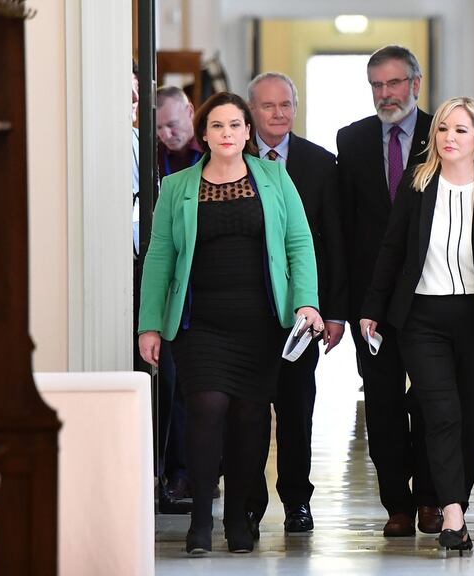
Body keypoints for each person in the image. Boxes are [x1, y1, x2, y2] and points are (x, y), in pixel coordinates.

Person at [138, 91, 323, 555]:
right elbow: (159, 257)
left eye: (235, 125)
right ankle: (201, 519)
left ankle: (240, 517)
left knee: (249, 419)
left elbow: (300, 244)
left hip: (261, 325)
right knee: (206, 408)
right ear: (204, 133)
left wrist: (307, 303)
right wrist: (149, 325)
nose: (227, 133)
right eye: (217, 126)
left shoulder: (275, 177)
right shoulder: (178, 186)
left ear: (247, 132)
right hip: (199, 323)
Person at [358, 96, 474, 553]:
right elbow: (392, 250)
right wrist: (373, 308)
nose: (449, 138)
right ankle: (454, 517)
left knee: (469, 417)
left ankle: (446, 498)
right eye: (442, 129)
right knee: (440, 413)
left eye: (460, 130)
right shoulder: (418, 186)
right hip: (422, 318)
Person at [336, 44, 441, 537]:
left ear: (415, 84)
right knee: (381, 403)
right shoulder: (352, 139)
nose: (385, 94)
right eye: (377, 85)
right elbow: (345, 227)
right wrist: (345, 304)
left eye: (394, 83)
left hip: (430, 295)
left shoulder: (444, 132)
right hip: (372, 302)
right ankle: (397, 505)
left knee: (429, 401)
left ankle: (431, 499)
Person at [243, 72, 348, 536]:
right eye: (268, 106)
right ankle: (248, 500)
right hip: (243, 312)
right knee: (245, 412)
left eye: (286, 104)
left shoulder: (321, 164)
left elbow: (334, 246)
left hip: (301, 315)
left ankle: (297, 502)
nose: (279, 113)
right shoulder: (228, 159)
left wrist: (334, 311)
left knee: (296, 409)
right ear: (251, 112)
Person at [149, 86, 205, 511]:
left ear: (190, 110)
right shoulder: (151, 158)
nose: (166, 134)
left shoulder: (215, 153)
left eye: (172, 123)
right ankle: (177, 473)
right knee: (171, 384)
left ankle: (202, 471)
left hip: (209, 286)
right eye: (158, 128)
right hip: (169, 289)